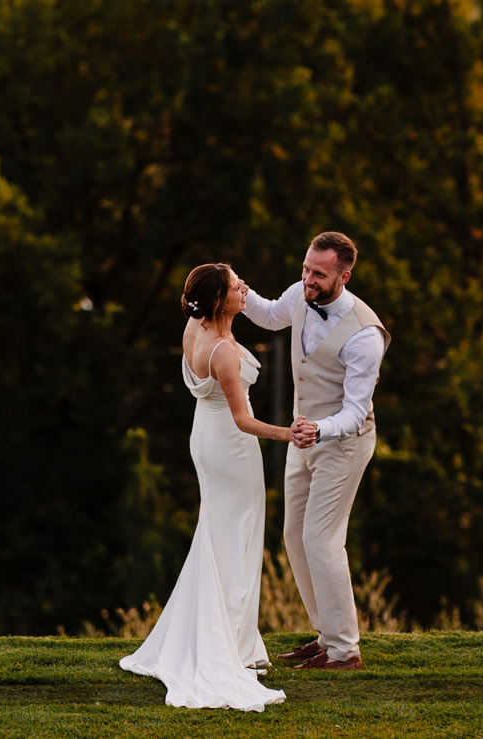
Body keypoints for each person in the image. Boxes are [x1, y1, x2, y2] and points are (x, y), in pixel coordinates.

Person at [119, 263, 297, 710]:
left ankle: (231, 636)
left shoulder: (194, 327)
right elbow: (243, 418)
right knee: (234, 539)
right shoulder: (222, 351)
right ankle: (227, 644)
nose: (245, 289)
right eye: (238, 286)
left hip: (206, 439)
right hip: (232, 447)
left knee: (218, 536)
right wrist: (290, 433)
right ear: (220, 301)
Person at [238, 231, 389, 672]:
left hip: (342, 443)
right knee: (293, 537)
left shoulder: (365, 335)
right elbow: (268, 316)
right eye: (306, 269)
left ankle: (345, 651)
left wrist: (317, 430)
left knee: (321, 539)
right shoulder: (301, 293)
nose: (308, 280)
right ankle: (327, 637)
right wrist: (236, 289)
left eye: (318, 274)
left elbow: (356, 413)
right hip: (303, 437)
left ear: (344, 275)